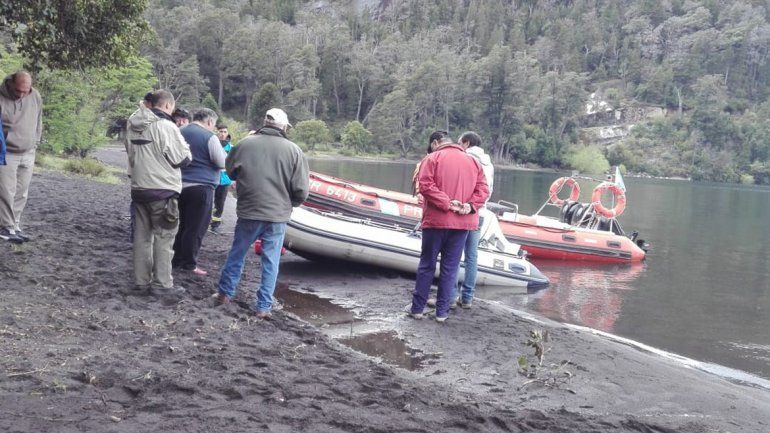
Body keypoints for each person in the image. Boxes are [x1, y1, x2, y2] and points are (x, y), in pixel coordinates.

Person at [216, 108, 309, 319]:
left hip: (249, 211)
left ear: (264, 123)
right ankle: (263, 307)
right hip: (277, 215)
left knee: (237, 254)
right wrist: (290, 204)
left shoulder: (244, 144)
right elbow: (302, 190)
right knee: (271, 260)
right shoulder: (294, 151)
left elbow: (230, 171)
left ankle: (224, 295)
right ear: (283, 127)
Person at [408, 130, 489, 322]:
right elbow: (483, 190)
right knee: (450, 268)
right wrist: (469, 206)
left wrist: (446, 203)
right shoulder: (474, 162)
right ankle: (442, 313)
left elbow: (425, 185)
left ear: (436, 143)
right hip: (462, 224)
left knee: (427, 265)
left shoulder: (432, 158)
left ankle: (417, 309)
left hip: (436, 221)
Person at [126, 89, 191, 294]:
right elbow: (182, 159)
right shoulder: (166, 126)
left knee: (142, 237)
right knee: (164, 237)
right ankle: (162, 284)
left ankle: (141, 281)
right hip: (162, 189)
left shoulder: (132, 124)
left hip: (138, 188)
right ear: (167, 105)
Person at [172, 108, 225, 275]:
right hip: (201, 187)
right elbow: (221, 162)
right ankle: (189, 264)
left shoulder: (179, 131)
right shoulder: (209, 137)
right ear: (209, 121)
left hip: (178, 184)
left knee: (182, 225)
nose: (214, 128)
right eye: (214, 125)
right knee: (196, 228)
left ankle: (176, 259)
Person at [0, 71, 43, 244]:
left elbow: (39, 118)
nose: (22, 94)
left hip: (28, 151)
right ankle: (5, 226)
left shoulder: (35, 95)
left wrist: (36, 141)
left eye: (26, 90)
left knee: (22, 192)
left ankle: (14, 225)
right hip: (6, 152)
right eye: (19, 90)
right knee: (5, 192)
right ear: (10, 83)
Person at [455, 131, 494, 309]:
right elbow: (486, 190)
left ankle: (451, 295)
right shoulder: (488, 163)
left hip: (465, 210)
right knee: (471, 257)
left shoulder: (466, 159)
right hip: (481, 212)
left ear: (466, 143)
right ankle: (468, 297)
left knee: (453, 254)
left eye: (459, 142)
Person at [210, 124, 233, 234]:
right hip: (210, 178)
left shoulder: (231, 148)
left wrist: (234, 179)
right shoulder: (211, 144)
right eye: (221, 131)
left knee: (220, 204)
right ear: (217, 132)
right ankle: (205, 221)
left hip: (224, 180)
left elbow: (234, 164)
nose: (223, 134)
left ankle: (215, 225)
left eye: (225, 131)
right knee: (207, 202)